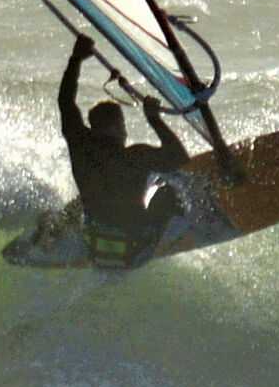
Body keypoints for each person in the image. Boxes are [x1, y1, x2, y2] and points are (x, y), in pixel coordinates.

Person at [58, 34, 191, 267]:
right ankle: (201, 220)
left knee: (81, 201)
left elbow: (65, 102)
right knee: (169, 190)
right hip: (134, 251)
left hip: (97, 249)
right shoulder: (135, 157)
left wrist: (76, 58)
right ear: (117, 127)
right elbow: (180, 159)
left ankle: (56, 227)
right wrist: (154, 120)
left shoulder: (80, 146)